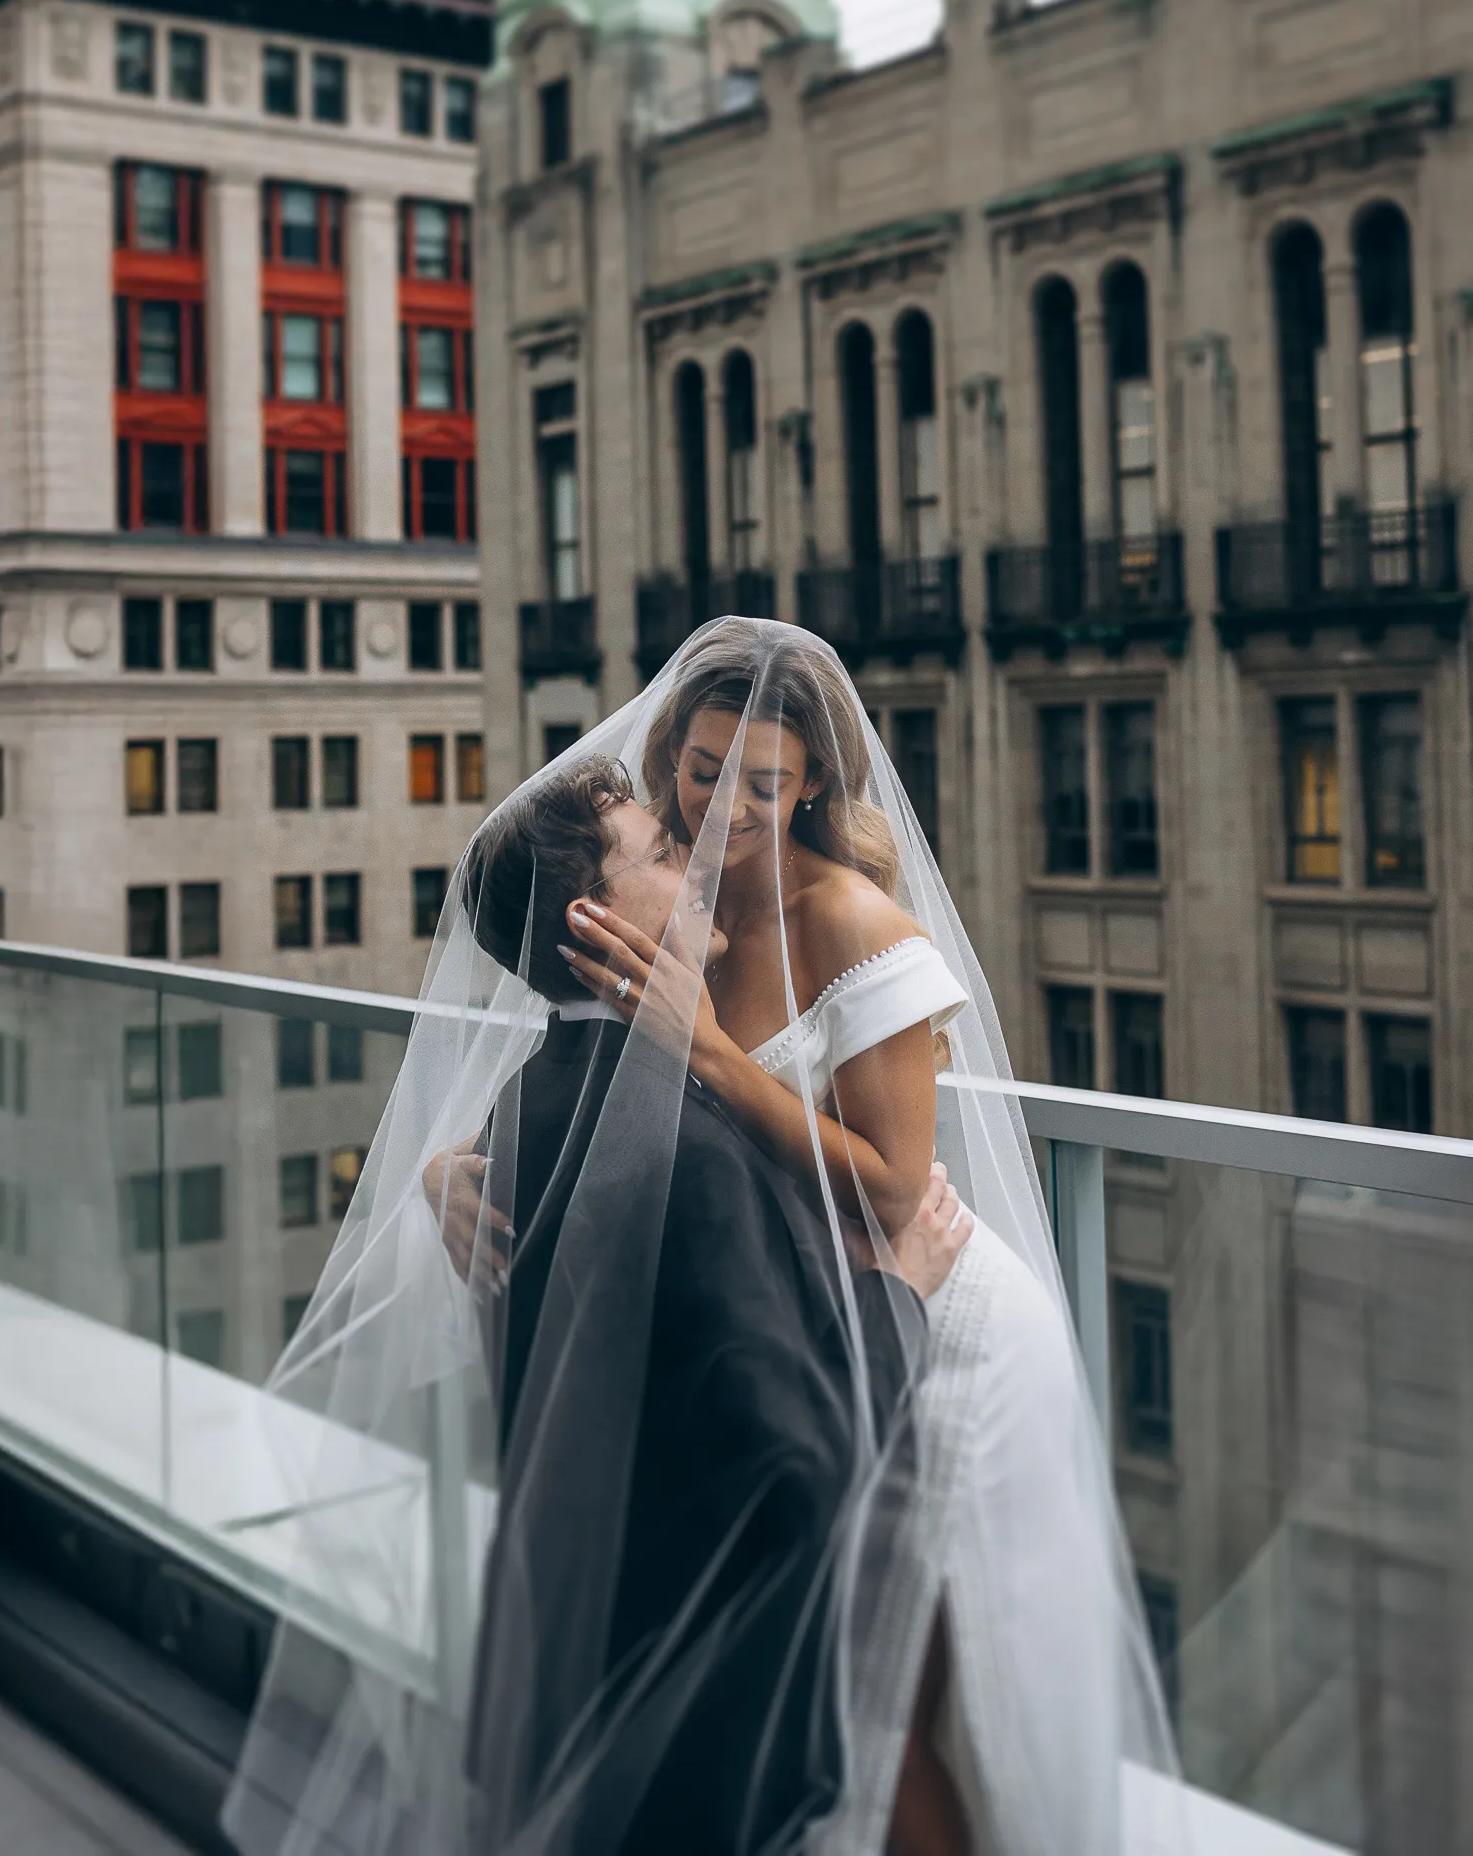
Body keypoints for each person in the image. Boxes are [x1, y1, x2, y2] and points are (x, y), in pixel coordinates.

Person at [224, 617, 1185, 1856]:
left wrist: (716, 1055)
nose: (728, 808)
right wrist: (442, 1168)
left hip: (928, 1312)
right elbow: (594, 1070)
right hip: (794, 1317)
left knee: (915, 1698)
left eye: (767, 784)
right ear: (669, 755)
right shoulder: (659, 898)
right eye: (702, 773)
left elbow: (895, 1191)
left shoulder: (850, 922)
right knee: (843, 1698)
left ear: (817, 786)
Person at [428, 754, 972, 1856]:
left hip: (587, 1654)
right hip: (706, 1715)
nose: (699, 865)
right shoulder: (687, 1146)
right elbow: (804, 1472)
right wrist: (899, 1297)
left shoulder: (526, 1106)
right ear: (597, 920)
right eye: (666, 854)